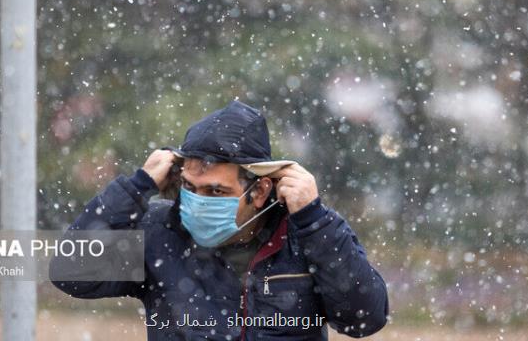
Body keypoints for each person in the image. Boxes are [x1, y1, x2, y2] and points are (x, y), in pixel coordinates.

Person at [50, 100, 389, 340]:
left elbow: (365, 319)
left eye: (215, 192)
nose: (197, 202)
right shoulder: (161, 232)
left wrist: (314, 219)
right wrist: (137, 185)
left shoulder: (307, 234)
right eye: (190, 187)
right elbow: (71, 272)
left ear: (258, 191)